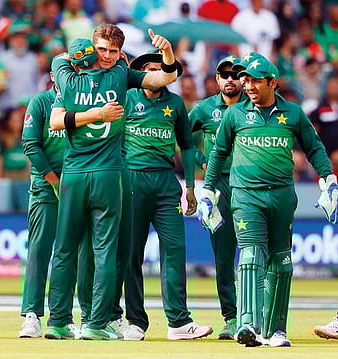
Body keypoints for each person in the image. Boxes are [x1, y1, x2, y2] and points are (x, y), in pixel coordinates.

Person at [46, 26, 179, 340]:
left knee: (67, 249)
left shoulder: (66, 75)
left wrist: (167, 53)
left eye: (113, 52)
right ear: (93, 49)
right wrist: (97, 114)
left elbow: (165, 77)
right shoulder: (120, 74)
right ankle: (89, 324)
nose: (107, 57)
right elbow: (166, 78)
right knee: (100, 250)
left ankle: (62, 322)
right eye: (101, 50)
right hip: (100, 173)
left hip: (77, 173)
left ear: (121, 52)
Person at [198, 55, 338, 347]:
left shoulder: (294, 113)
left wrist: (329, 179)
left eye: (254, 80)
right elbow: (218, 154)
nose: (247, 85)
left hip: (282, 195)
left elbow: (315, 149)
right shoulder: (234, 115)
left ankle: (276, 330)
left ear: (272, 82)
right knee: (250, 255)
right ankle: (248, 324)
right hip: (246, 195)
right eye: (245, 80)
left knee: (282, 261)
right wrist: (208, 191)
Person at [122, 49, 212, 341]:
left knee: (174, 251)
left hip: (166, 183)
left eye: (159, 69)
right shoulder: (126, 98)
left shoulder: (174, 104)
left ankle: (179, 323)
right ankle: (135, 321)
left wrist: (189, 188)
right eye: (148, 69)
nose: (154, 74)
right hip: (132, 179)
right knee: (131, 254)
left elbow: (186, 146)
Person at [17, 71, 80, 339]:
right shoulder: (41, 102)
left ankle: (62, 317)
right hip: (46, 185)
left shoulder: (82, 102)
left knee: (69, 252)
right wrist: (54, 180)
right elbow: (30, 144)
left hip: (77, 185)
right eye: (65, 71)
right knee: (40, 248)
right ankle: (31, 316)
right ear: (54, 75)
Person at [189, 55, 247, 340]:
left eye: (236, 74)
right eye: (225, 74)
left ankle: (256, 314)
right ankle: (232, 317)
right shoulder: (205, 108)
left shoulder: (254, 108)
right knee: (223, 255)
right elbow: (181, 137)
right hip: (218, 185)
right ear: (217, 79)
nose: (230, 79)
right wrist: (203, 162)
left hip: (250, 184)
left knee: (255, 251)